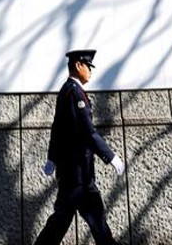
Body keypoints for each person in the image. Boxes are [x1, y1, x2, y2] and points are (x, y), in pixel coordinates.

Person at [34, 49, 125, 245]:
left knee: (71, 220)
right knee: (87, 221)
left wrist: (52, 157)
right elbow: (88, 131)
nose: (91, 71)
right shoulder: (74, 93)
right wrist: (110, 156)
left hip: (74, 174)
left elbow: (57, 128)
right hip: (78, 176)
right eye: (88, 66)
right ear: (78, 65)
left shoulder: (67, 91)